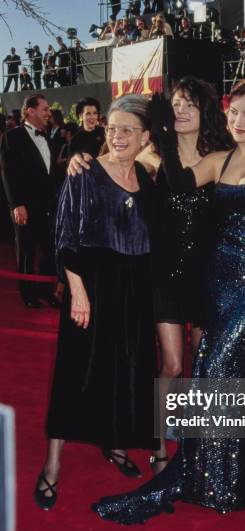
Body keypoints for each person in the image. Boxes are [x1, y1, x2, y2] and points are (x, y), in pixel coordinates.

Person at [91, 76, 245, 525]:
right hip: (186, 276)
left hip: (231, 281)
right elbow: (161, 182)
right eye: (235, 112)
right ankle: (184, 453)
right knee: (188, 367)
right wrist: (87, 159)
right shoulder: (196, 159)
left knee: (228, 368)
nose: (239, 120)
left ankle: (228, 464)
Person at [69, 77, 234, 474]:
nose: (180, 109)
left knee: (204, 364)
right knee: (173, 365)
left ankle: (196, 439)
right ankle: (158, 442)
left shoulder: (224, 155)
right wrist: (84, 160)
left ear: (205, 111)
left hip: (207, 273)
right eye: (175, 102)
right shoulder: (152, 157)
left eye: (189, 103)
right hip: (163, 272)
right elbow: (114, 169)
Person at [34, 94, 159, 511]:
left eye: (128, 130)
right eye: (113, 128)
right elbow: (65, 234)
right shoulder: (84, 171)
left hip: (135, 289)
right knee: (74, 371)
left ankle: (117, 443)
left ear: (145, 137)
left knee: (125, 371)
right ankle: (52, 466)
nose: (118, 136)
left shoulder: (147, 177)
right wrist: (78, 289)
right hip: (91, 284)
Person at [0, 94, 59, 308]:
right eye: (44, 109)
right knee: (27, 251)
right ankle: (28, 295)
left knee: (50, 250)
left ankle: (46, 292)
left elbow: (49, 173)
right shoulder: (12, 136)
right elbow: (7, 174)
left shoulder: (48, 137)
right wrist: (16, 204)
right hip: (25, 207)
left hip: (47, 207)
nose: (48, 112)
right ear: (30, 111)